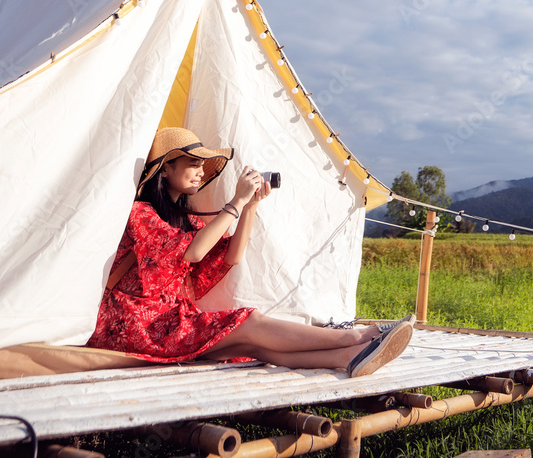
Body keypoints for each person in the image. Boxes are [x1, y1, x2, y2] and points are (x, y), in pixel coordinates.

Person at [86, 127, 412, 377]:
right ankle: (353, 338)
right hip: (134, 324)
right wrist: (236, 201)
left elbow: (231, 257)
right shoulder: (140, 212)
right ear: (165, 169)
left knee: (252, 345)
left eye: (204, 165)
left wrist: (251, 206)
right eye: (192, 163)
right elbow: (195, 254)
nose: (201, 170)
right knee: (249, 320)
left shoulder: (187, 221)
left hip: (171, 321)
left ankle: (347, 359)